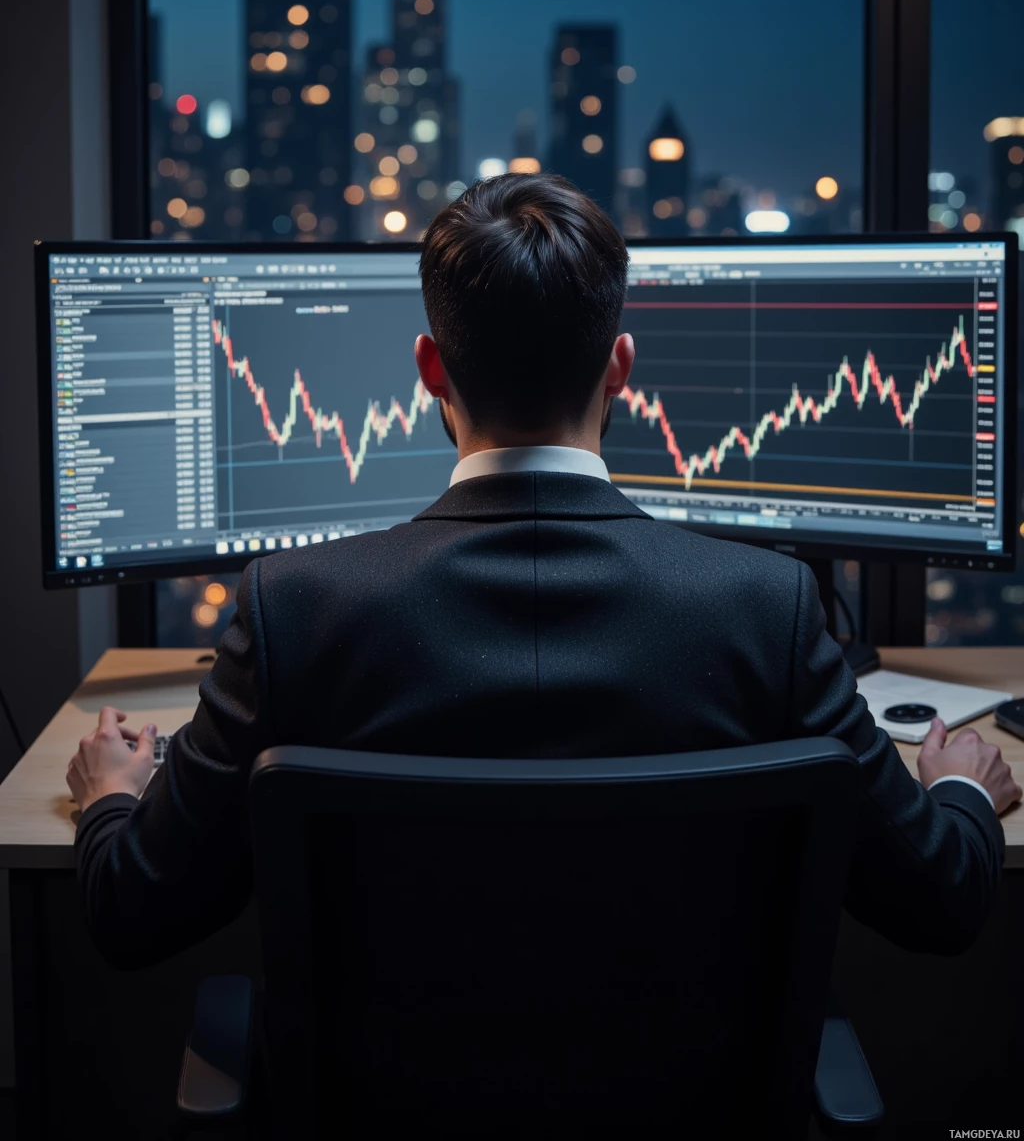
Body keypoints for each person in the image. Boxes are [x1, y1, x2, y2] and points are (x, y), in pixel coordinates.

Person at [70, 173, 1019, 968]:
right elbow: (938, 902)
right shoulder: (767, 609)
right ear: (621, 369)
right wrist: (963, 788)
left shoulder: (296, 610)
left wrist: (115, 793)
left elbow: (131, 911)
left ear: (430, 370)